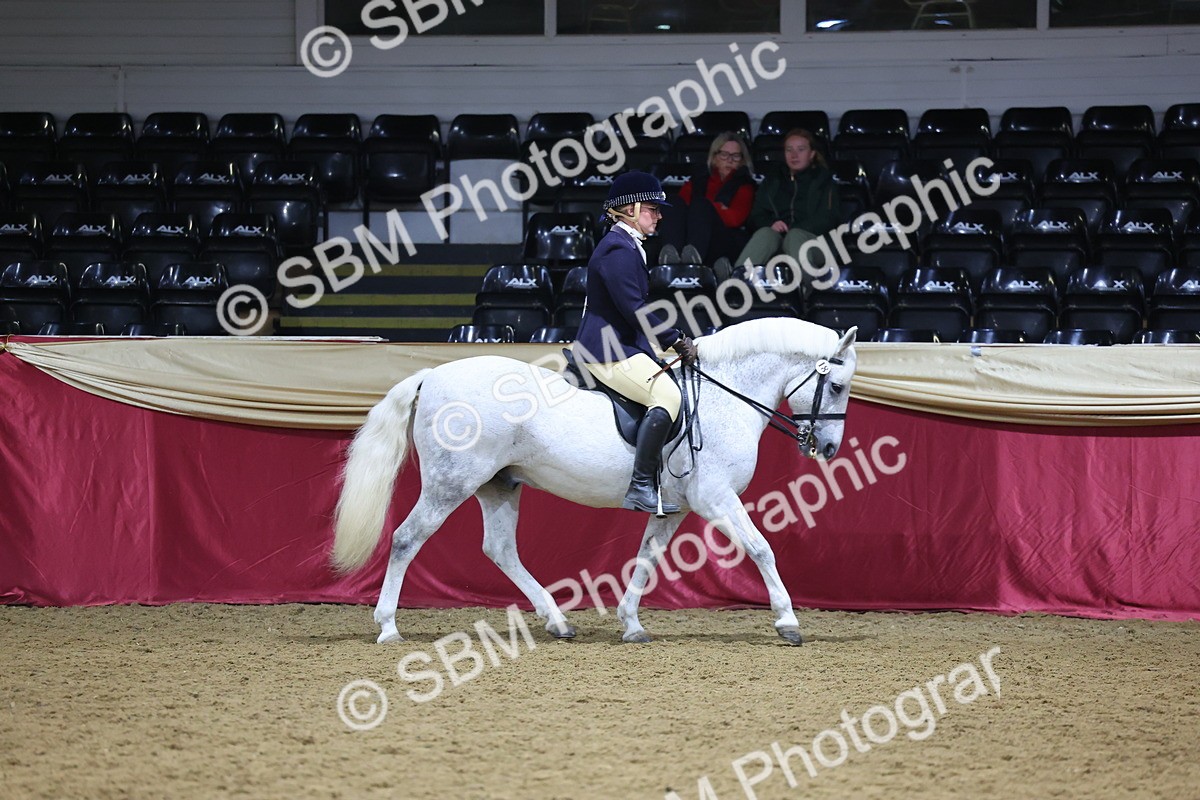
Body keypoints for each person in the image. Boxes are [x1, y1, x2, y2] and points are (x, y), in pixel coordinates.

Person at [572, 171, 699, 514]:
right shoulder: (617, 249)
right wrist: (674, 339)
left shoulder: (628, 246)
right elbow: (634, 308)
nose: (658, 215)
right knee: (668, 395)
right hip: (606, 350)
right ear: (629, 209)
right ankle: (641, 485)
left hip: (622, 345)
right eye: (652, 208)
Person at [735, 128, 840, 272]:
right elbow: (756, 215)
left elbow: (828, 219)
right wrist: (771, 224)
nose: (794, 155)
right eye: (789, 150)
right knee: (766, 233)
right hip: (778, 241)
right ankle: (736, 281)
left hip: (816, 243)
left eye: (801, 149)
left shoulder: (824, 180)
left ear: (812, 154)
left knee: (795, 236)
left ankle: (807, 288)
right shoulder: (773, 180)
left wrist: (794, 229)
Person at [656, 132, 756, 271]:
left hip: (724, 240)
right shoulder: (699, 178)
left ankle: (693, 258)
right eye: (724, 154)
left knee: (701, 206)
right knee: (673, 201)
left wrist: (707, 209)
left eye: (736, 156)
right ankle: (671, 256)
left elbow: (734, 219)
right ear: (714, 157)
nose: (730, 160)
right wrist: (720, 208)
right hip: (691, 234)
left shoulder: (745, 185)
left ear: (742, 160)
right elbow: (680, 207)